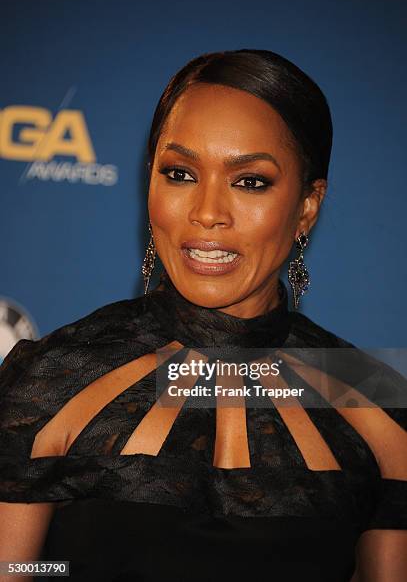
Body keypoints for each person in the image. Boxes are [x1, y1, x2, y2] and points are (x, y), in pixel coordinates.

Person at [0, 49, 406, 582]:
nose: (207, 212)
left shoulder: (376, 406)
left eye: (250, 181)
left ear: (308, 205)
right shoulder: (51, 380)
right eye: (180, 173)